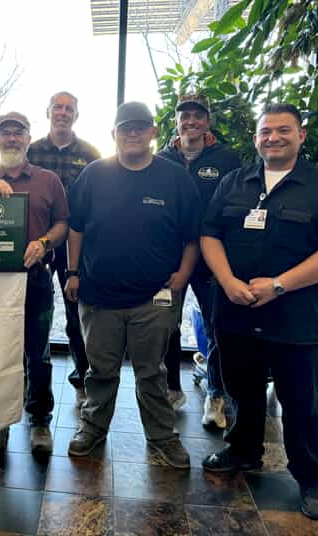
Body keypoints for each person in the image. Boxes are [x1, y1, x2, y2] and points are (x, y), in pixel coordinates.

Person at [200, 103, 318, 520]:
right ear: (255, 137)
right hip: (237, 312)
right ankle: (243, 451)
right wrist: (228, 282)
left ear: (301, 135)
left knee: (300, 403)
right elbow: (209, 235)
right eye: (266, 131)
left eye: (283, 130)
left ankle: (311, 479)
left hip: (298, 318)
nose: (273, 137)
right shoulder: (236, 182)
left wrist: (278, 286)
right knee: (243, 392)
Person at [64, 101, 200, 468]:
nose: (133, 133)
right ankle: (92, 429)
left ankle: (162, 437)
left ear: (154, 132)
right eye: (126, 128)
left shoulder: (175, 178)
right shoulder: (94, 175)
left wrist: (183, 274)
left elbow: (192, 236)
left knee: (152, 373)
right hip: (99, 297)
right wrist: (72, 272)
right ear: (114, 134)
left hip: (153, 298)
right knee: (100, 372)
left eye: (141, 127)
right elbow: (75, 227)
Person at [0, 111, 69, 458]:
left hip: (36, 282)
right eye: (5, 133)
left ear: (28, 138)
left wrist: (44, 243)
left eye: (18, 132)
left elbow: (62, 224)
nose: (12, 138)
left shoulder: (48, 180)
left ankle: (39, 419)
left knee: (38, 354)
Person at [157, 94, 241, 426]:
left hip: (212, 254)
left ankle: (216, 395)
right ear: (176, 122)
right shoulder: (162, 159)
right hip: (169, 255)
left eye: (197, 116)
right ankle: (170, 389)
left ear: (208, 121)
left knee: (216, 324)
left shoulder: (227, 158)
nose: (191, 121)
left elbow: (236, 207)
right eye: (184, 116)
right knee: (166, 323)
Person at [27, 91, 100, 408]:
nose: (63, 112)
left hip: (75, 243)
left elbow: (99, 200)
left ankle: (83, 378)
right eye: (58, 107)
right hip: (38, 244)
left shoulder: (90, 153)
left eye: (69, 108)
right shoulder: (31, 151)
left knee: (75, 314)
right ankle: (27, 380)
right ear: (48, 112)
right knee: (30, 313)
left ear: (76, 116)